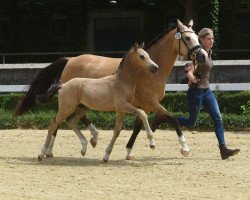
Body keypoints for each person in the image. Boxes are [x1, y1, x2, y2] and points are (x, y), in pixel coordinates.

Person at [176, 28, 240, 160]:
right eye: (209, 39)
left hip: (207, 91)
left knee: (218, 119)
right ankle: (167, 118)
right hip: (196, 92)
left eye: (212, 38)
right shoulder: (197, 54)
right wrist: (191, 77)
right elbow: (189, 69)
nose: (212, 41)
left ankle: (223, 150)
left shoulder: (209, 53)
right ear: (201, 40)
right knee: (191, 122)